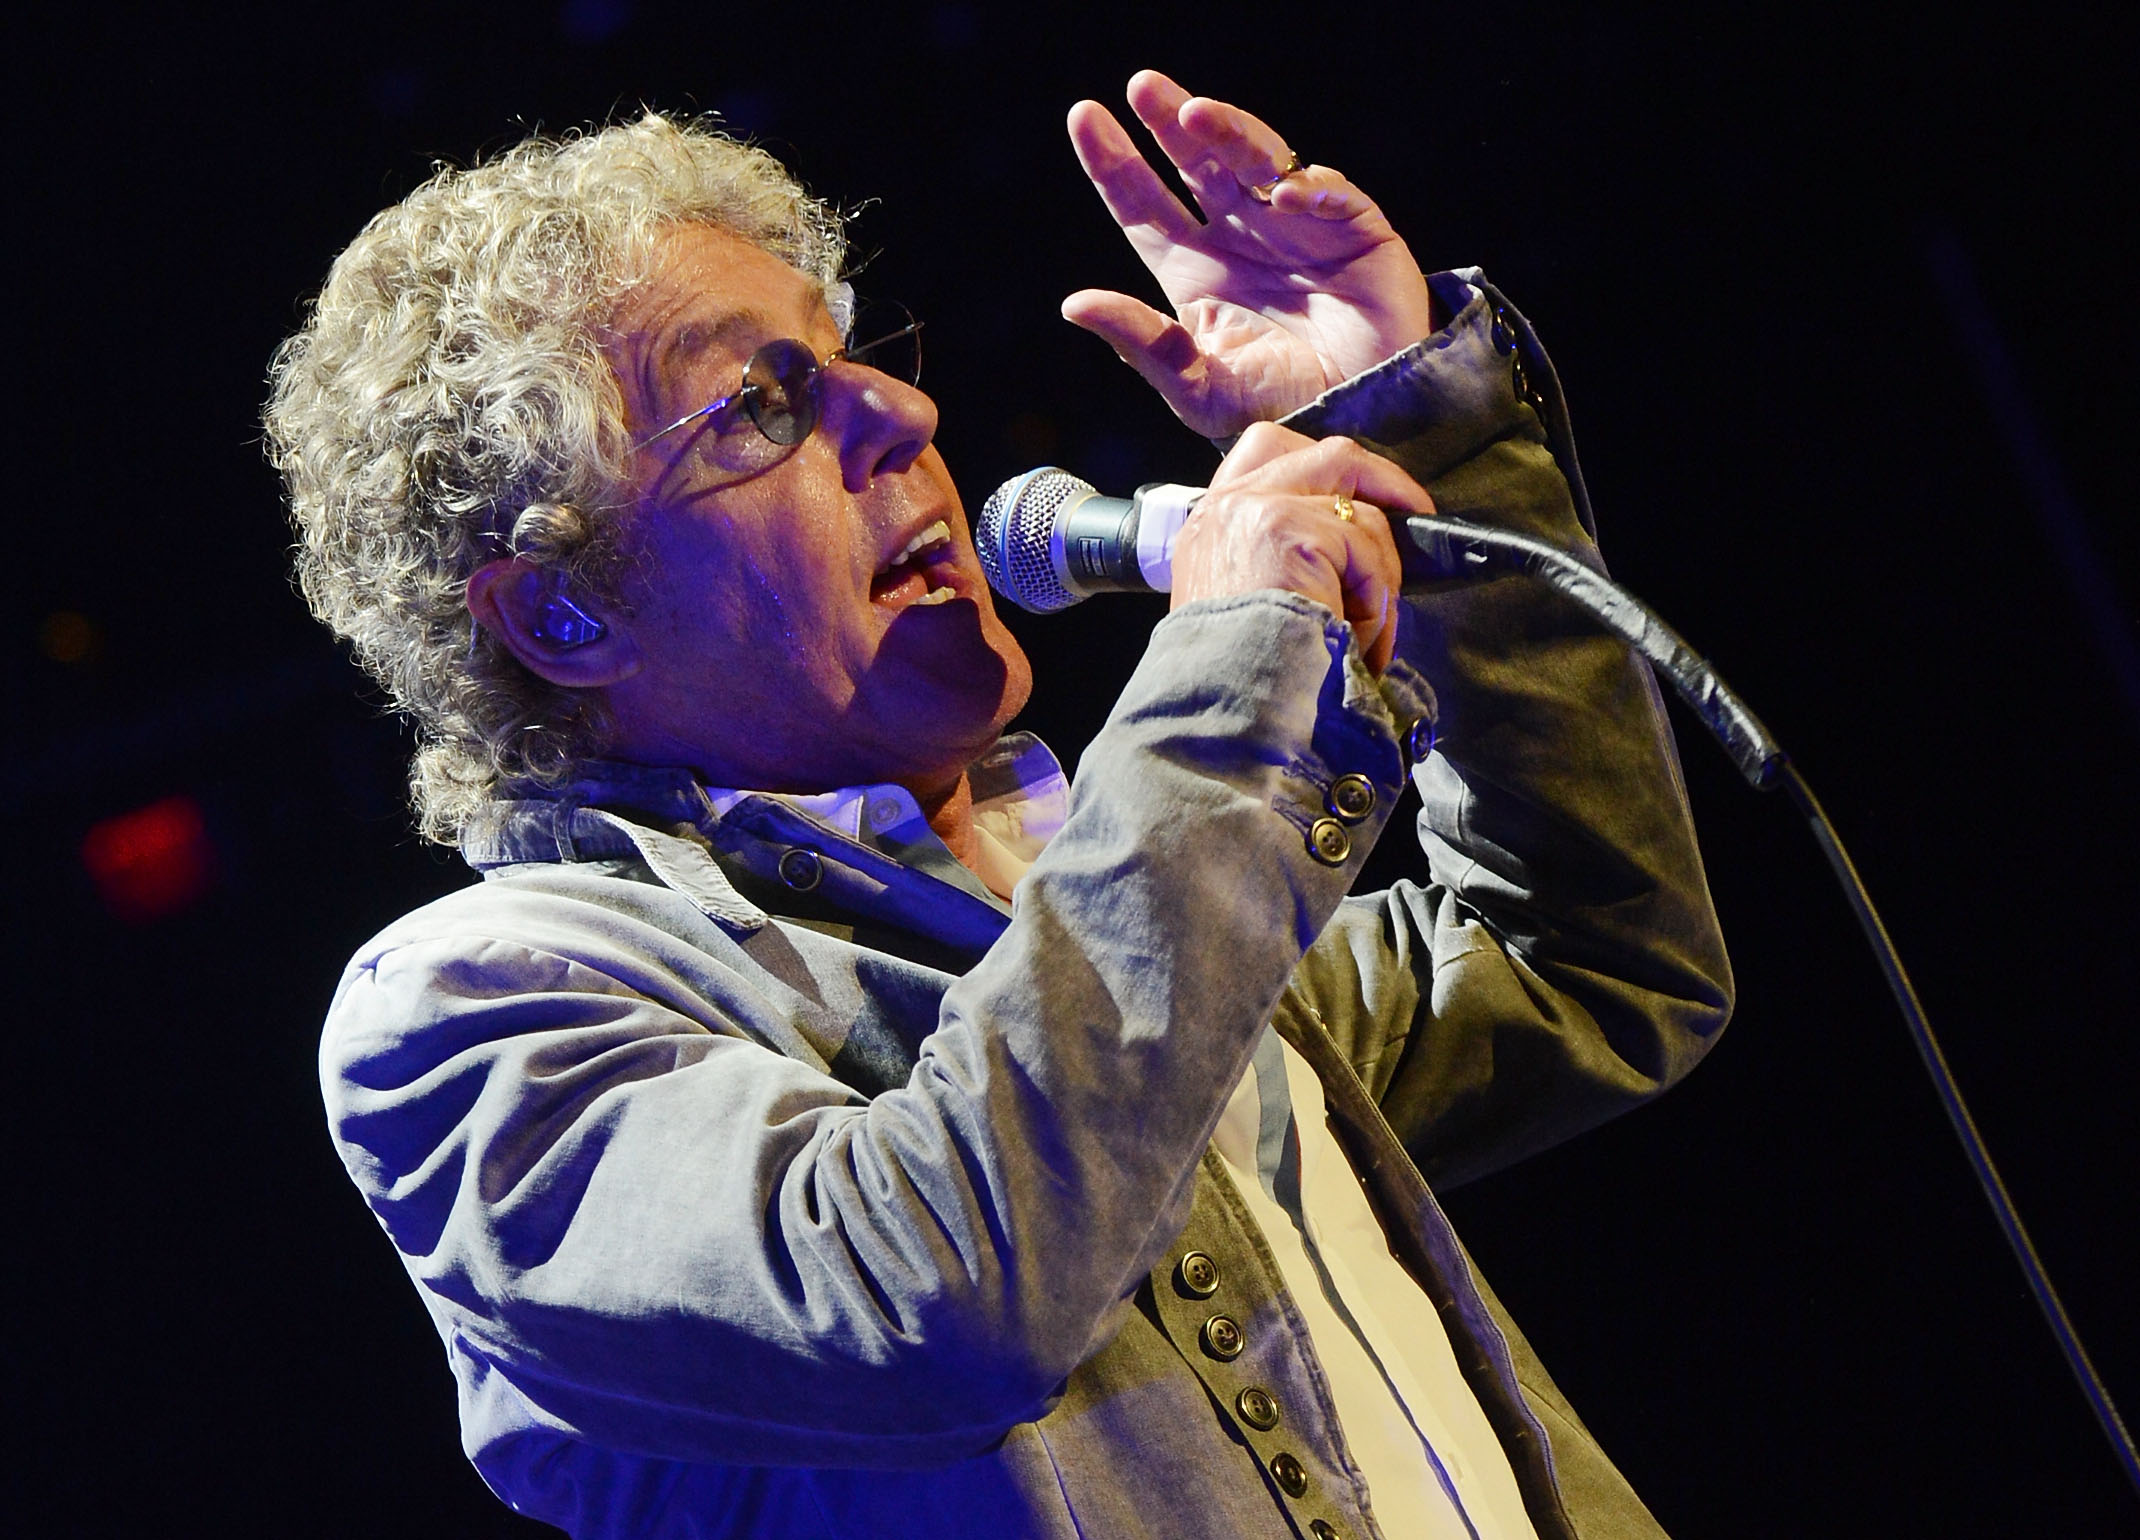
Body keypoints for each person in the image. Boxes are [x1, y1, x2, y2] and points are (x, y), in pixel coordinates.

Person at [267, 69, 1732, 1540]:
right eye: (764, 405)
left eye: (855, 360)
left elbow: (1591, 963)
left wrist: (1408, 429)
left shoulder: (1089, 889)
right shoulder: (474, 1008)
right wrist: (1230, 684)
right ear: (562, 613)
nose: (905, 410)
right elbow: (935, 1297)